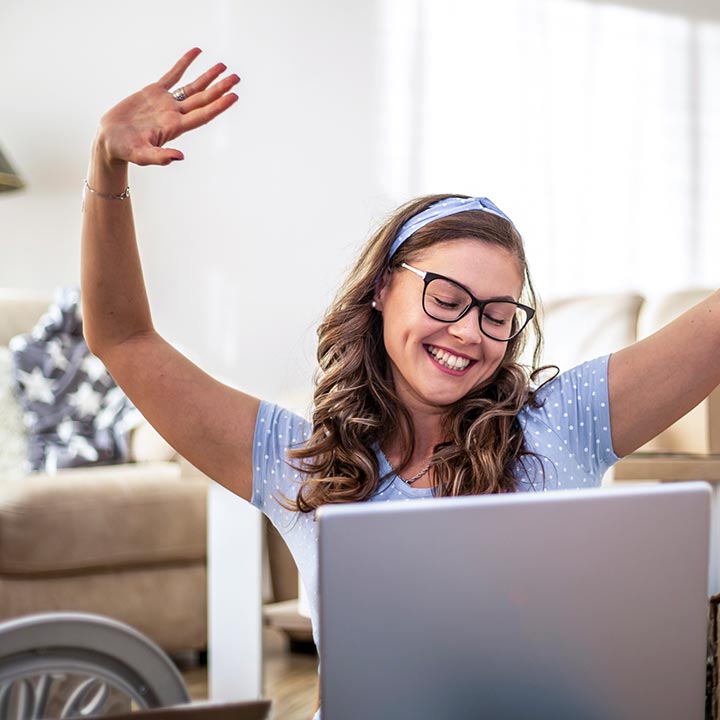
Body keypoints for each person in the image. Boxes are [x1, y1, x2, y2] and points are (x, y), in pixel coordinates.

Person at [81, 48, 720, 714]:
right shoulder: (297, 461)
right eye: (446, 299)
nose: (470, 332)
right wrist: (106, 164)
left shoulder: (564, 423)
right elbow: (123, 340)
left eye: (498, 314)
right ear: (385, 288)